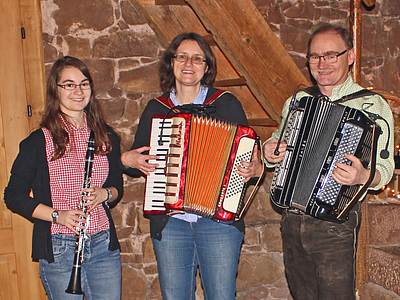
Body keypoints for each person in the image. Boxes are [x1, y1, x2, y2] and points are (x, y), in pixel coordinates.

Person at [121, 32, 263, 300]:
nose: (189, 64)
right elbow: (134, 160)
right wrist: (127, 160)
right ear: (171, 63)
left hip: (219, 222)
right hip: (171, 223)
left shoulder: (225, 104)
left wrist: (255, 169)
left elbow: (252, 158)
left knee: (221, 296)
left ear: (207, 67)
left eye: (197, 59)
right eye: (182, 57)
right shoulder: (157, 108)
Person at [263, 23, 394, 299]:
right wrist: (270, 151)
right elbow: (277, 143)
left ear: (350, 56)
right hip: (291, 220)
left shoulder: (373, 105)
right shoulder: (297, 100)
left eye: (331, 55)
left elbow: (385, 169)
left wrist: (362, 176)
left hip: (335, 224)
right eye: (314, 56)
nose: (322, 64)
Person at [4, 56, 123, 300]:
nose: (78, 91)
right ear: (55, 91)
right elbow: (13, 197)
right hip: (60, 246)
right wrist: (59, 215)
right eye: (69, 84)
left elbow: (117, 187)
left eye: (84, 83)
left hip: (102, 242)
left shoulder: (106, 136)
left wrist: (105, 194)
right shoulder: (38, 141)